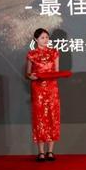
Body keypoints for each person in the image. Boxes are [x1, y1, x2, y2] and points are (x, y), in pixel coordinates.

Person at [26, 28, 60, 162]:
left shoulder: (54, 52)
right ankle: (40, 152)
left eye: (47, 37)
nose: (45, 40)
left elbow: (57, 71)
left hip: (52, 88)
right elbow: (28, 73)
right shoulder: (31, 54)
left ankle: (50, 151)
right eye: (42, 38)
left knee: (52, 116)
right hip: (38, 88)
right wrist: (32, 76)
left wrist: (51, 76)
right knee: (40, 118)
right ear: (36, 39)